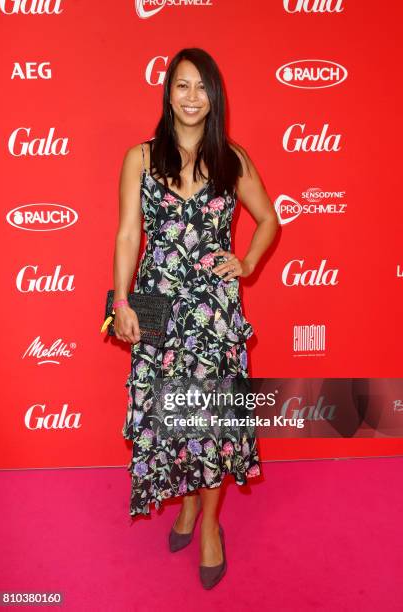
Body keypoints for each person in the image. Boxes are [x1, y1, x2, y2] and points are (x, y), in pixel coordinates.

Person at [112, 47, 278, 589]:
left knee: (208, 423)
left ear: (214, 96)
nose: (190, 97)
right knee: (172, 417)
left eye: (201, 87)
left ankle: (209, 523)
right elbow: (129, 234)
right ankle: (185, 507)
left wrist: (247, 262)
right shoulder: (139, 157)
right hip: (159, 306)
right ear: (168, 93)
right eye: (181, 86)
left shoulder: (232, 158)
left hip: (214, 313)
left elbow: (269, 219)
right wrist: (121, 301)